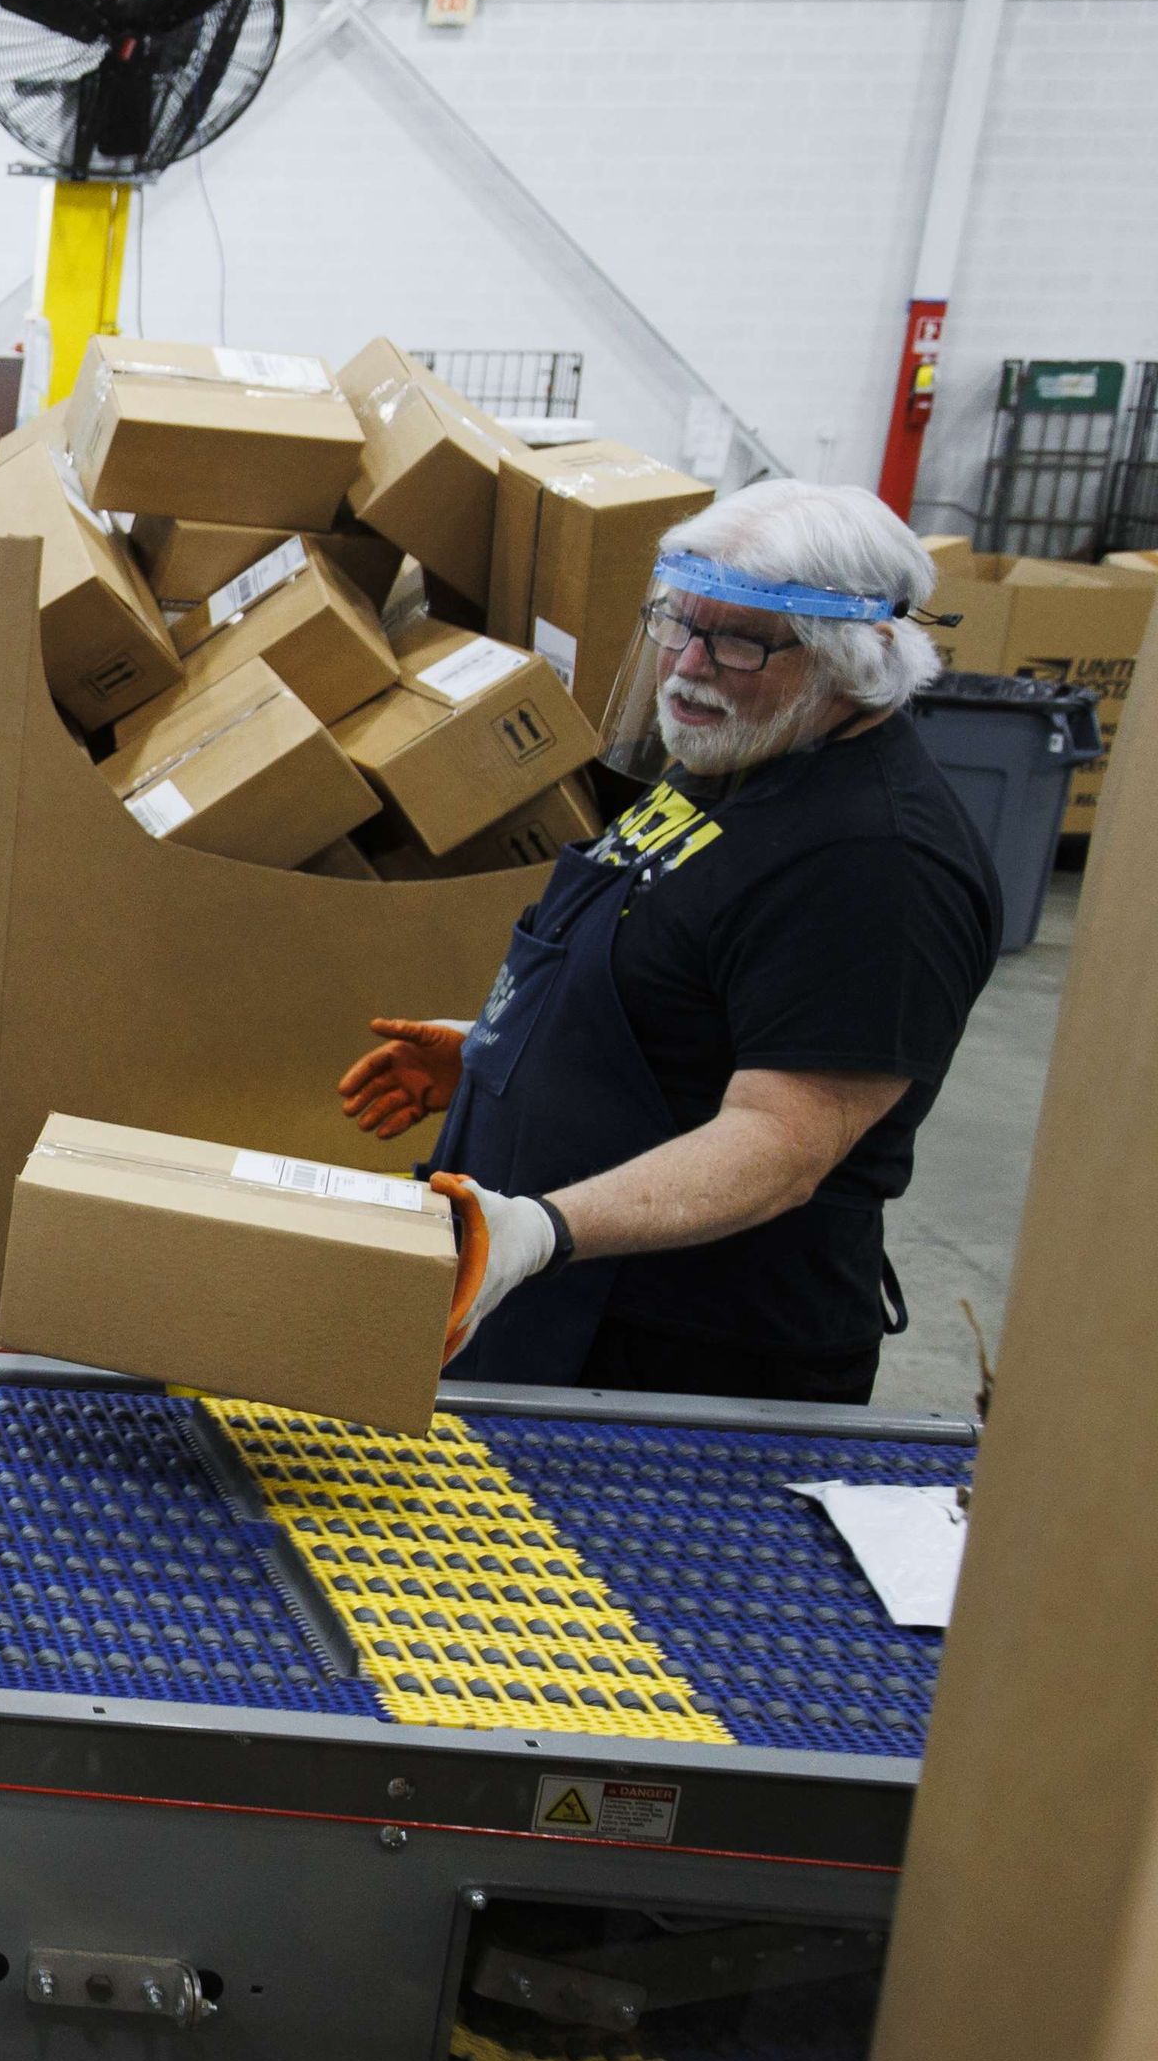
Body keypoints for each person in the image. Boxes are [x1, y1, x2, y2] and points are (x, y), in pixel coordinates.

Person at [340, 481, 999, 1402]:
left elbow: (780, 1139)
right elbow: (676, 983)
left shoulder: (879, 862)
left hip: (682, 1361)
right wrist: (510, 1058)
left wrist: (541, 1229)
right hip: (555, 1313)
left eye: (738, 641)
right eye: (677, 623)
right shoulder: (742, 754)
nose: (688, 667)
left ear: (850, 658)